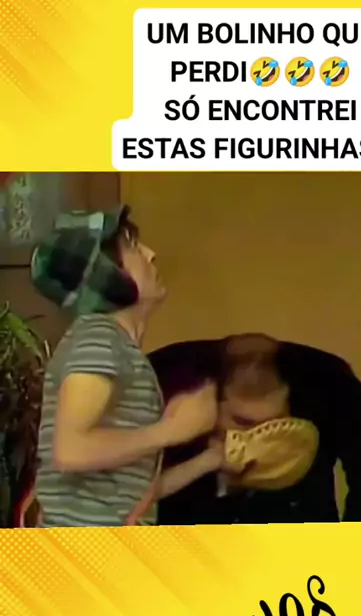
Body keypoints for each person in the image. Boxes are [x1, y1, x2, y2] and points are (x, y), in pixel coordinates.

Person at [30, 205, 222, 527]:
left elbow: (130, 493)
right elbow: (71, 450)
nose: (150, 254)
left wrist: (211, 459)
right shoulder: (98, 338)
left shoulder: (117, 347)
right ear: (108, 275)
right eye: (132, 246)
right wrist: (171, 431)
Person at [145, 333, 361, 524]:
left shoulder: (328, 385)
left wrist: (356, 541)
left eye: (276, 422)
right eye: (243, 422)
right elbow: (130, 493)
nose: (260, 436)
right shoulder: (161, 384)